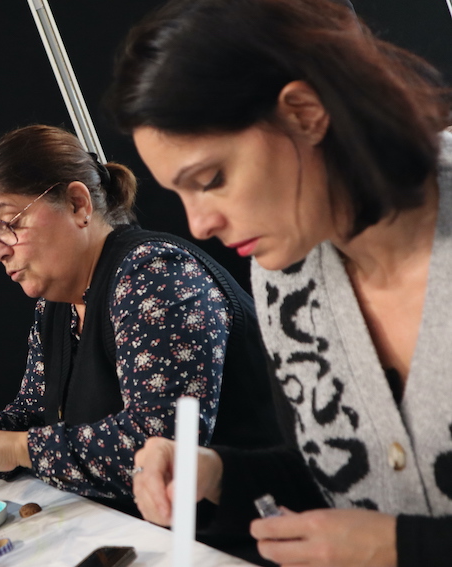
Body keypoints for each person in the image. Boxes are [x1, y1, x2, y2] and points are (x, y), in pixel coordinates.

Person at [105, 0, 452, 565]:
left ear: (304, 112)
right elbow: (333, 474)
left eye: (212, 179)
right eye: (180, 195)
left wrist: (397, 546)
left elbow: (382, 533)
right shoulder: (285, 280)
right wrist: (214, 473)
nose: (199, 225)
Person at [0, 124, 281, 523]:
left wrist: (13, 447)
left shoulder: (154, 275)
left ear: (78, 204)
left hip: (253, 533)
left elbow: (159, 447)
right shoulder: (56, 309)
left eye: (9, 224)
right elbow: (32, 414)